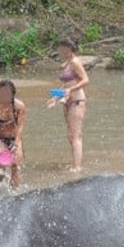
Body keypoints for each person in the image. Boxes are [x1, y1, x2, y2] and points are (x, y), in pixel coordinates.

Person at [45, 39, 88, 172]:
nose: (59, 52)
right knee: (71, 134)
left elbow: (86, 79)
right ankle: (76, 164)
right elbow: (65, 85)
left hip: (77, 101)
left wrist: (71, 90)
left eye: (61, 49)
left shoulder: (75, 62)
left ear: (68, 49)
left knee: (75, 135)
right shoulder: (67, 63)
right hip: (67, 101)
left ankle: (77, 167)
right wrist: (55, 98)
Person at [0, 79, 26, 187]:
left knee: (15, 166)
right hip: (1, 138)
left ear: (13, 94)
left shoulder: (20, 106)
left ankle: (15, 193)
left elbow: (20, 125)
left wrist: (17, 142)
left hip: (15, 138)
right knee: (1, 166)